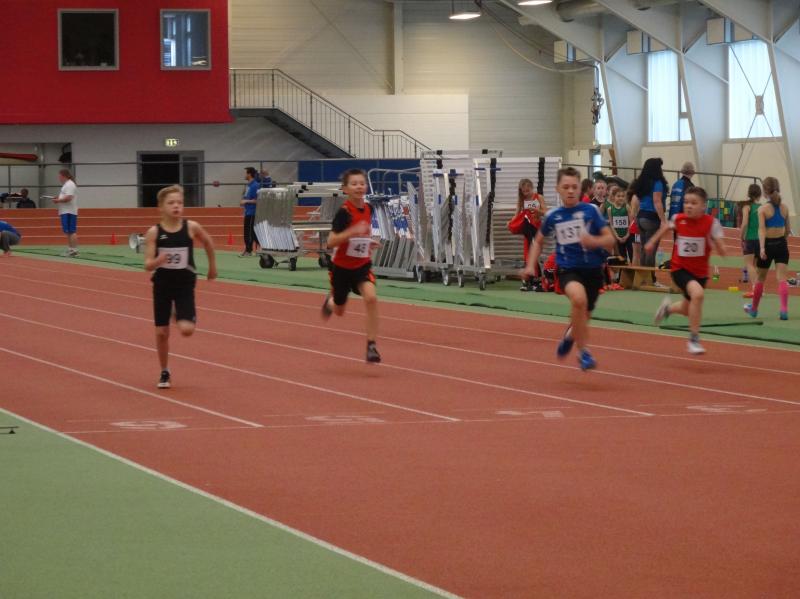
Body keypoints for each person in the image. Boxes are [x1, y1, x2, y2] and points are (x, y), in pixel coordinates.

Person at [523, 166, 616, 370]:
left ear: (581, 189)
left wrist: (592, 241)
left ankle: (570, 335)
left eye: (574, 187)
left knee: (584, 315)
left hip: (593, 271)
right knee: (579, 300)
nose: (571, 191)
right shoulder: (553, 215)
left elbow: (610, 239)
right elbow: (538, 241)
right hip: (568, 270)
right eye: (566, 187)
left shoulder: (591, 211)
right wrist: (530, 266)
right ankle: (583, 353)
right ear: (557, 189)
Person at [143, 184, 217, 389]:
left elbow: (208, 242)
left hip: (184, 284)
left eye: (180, 203)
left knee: (187, 330)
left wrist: (212, 267)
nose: (176, 206)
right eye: (171, 203)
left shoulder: (191, 227)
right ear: (161, 207)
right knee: (161, 333)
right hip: (162, 285)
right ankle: (164, 371)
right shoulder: (154, 232)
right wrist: (158, 261)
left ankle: (176, 313)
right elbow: (147, 265)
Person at [649, 186, 726, 355]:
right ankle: (694, 340)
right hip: (680, 269)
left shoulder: (711, 223)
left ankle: (667, 309)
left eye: (693, 203)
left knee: (687, 308)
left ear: (703, 206)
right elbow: (665, 228)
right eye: (686, 202)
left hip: (700, 273)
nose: (688, 206)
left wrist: (721, 248)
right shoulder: (678, 218)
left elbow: (720, 243)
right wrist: (652, 241)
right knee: (698, 294)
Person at [321, 169, 381, 363]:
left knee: (371, 298)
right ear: (345, 189)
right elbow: (330, 242)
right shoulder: (344, 213)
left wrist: (368, 242)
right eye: (354, 184)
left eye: (362, 183)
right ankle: (330, 302)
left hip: (362, 266)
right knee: (339, 310)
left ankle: (371, 346)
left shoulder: (369, 208)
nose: (359, 187)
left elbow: (361, 235)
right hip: (341, 268)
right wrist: (352, 232)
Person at [744, 177, 792, 320]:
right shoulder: (785, 208)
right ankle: (784, 310)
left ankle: (754, 310)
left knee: (760, 278)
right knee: (782, 278)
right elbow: (788, 230)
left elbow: (762, 230)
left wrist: (762, 248)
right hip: (781, 244)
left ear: (765, 192)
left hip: (768, 245)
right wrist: (782, 241)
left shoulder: (763, 209)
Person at [508, 178, 547, 291]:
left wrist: (537, 211)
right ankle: (531, 280)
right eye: (524, 191)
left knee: (531, 253)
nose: (526, 193)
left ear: (532, 188)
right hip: (527, 228)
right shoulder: (521, 200)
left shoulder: (538, 197)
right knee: (528, 253)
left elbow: (546, 212)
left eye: (528, 191)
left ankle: (534, 279)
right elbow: (516, 214)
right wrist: (510, 222)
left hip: (536, 228)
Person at [634, 158, 668, 281]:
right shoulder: (657, 183)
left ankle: (643, 278)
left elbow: (636, 200)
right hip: (651, 218)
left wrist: (635, 216)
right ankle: (650, 278)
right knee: (651, 250)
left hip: (641, 217)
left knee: (644, 248)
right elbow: (657, 201)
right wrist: (663, 220)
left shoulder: (641, 182)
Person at [739, 183, 762, 299]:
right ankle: (758, 288)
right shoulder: (762, 207)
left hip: (750, 238)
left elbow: (744, 223)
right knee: (755, 265)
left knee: (749, 265)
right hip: (761, 239)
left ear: (748, 193)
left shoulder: (746, 207)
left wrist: (741, 236)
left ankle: (755, 289)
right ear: (759, 195)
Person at [52, 169, 79, 257]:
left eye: (59, 176)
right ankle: (71, 249)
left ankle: (74, 250)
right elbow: (65, 196)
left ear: (64, 176)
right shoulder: (67, 185)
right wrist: (58, 197)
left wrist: (58, 200)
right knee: (68, 231)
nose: (59, 178)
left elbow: (69, 198)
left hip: (69, 211)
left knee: (71, 231)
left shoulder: (70, 184)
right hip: (66, 210)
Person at [608, 186, 632, 263]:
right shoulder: (610, 209)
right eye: (618, 196)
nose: (621, 198)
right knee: (622, 258)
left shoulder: (627, 207)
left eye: (622, 196)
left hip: (628, 236)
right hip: (618, 236)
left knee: (632, 255)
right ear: (613, 197)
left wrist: (627, 235)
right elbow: (612, 225)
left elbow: (631, 223)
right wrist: (617, 236)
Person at [239, 167, 260, 257]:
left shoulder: (255, 185)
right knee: (248, 232)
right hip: (247, 212)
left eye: (246, 173)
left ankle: (249, 250)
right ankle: (250, 249)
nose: (245, 175)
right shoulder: (248, 186)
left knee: (250, 233)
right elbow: (246, 197)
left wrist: (246, 201)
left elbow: (257, 200)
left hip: (252, 212)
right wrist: (243, 200)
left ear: (249, 174)